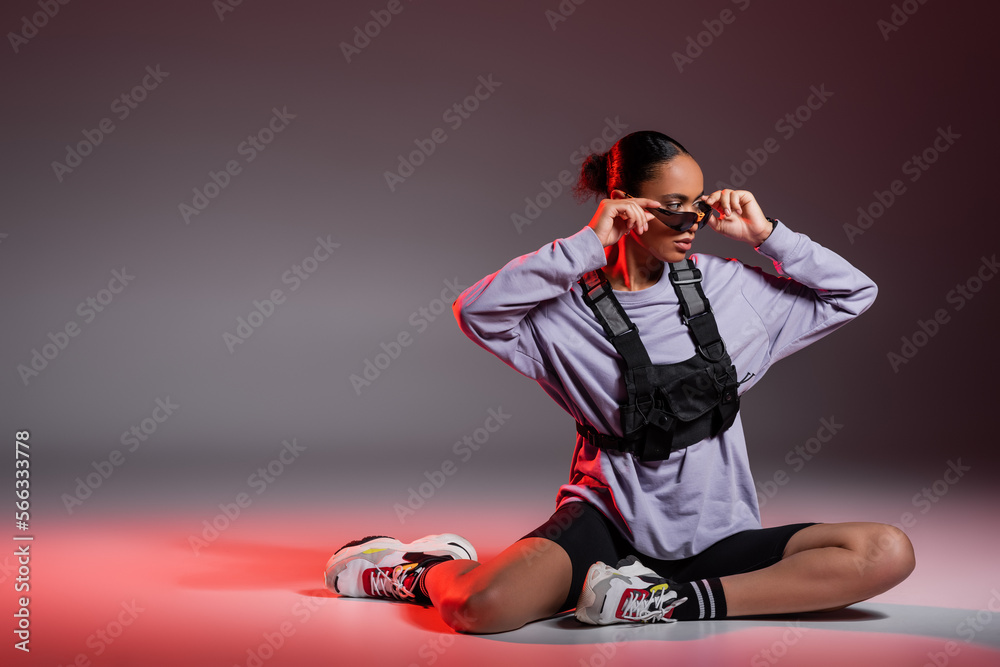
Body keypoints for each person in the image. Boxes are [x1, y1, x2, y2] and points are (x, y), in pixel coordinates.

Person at [325, 131, 915, 634]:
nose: (692, 224)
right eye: (673, 206)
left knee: (886, 551)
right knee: (481, 607)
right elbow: (474, 312)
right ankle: (420, 566)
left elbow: (854, 293)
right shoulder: (562, 313)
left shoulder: (734, 292)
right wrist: (587, 244)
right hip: (607, 523)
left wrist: (768, 235)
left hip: (717, 535)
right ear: (623, 204)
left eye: (699, 207)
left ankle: (658, 603)